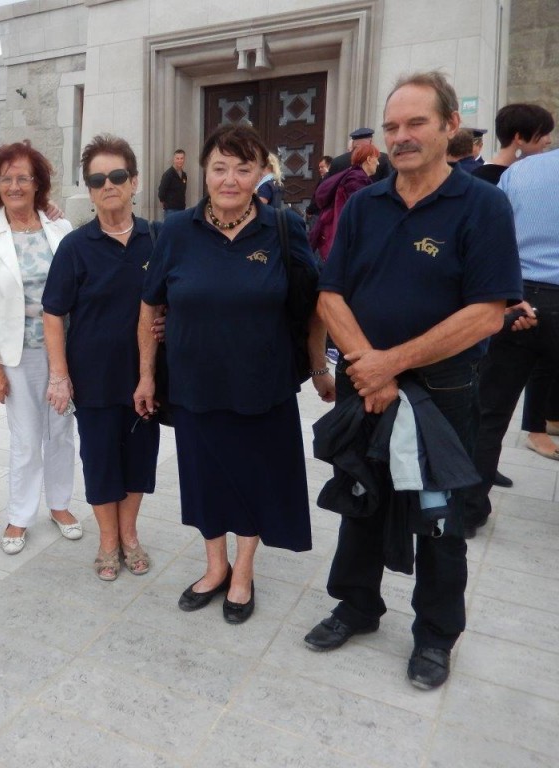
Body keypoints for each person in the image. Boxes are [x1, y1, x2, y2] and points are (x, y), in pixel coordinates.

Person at [305, 72, 521, 689]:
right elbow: (330, 293)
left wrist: (389, 364)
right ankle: (357, 606)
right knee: (360, 496)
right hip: (365, 384)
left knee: (440, 513)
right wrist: (368, 366)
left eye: (416, 123)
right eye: (392, 126)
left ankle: (435, 635)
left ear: (450, 125)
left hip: (443, 393)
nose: (401, 137)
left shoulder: (482, 205)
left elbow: (487, 312)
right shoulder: (364, 205)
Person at [135, 124, 333, 623]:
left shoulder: (282, 228)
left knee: (254, 478)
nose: (229, 179)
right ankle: (214, 565)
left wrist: (317, 367)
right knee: (205, 478)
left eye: (243, 169)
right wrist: (146, 376)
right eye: (220, 167)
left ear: (261, 173)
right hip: (195, 385)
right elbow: (150, 304)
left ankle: (242, 571)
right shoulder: (176, 230)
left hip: (263, 386)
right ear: (204, 172)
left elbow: (315, 306)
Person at [41, 134, 160, 581]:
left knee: (139, 459)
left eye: (117, 176)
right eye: (97, 179)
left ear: (134, 182)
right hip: (93, 376)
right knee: (100, 459)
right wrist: (59, 376)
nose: (108, 185)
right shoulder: (76, 246)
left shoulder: (158, 239)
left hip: (147, 375)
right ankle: (108, 540)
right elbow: (53, 313)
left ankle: (130, 535)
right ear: (89, 191)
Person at [0, 141, 79, 554]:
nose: (14, 186)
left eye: (23, 178)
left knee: (62, 431)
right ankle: (19, 514)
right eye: (6, 178)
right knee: (26, 437)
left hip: (63, 349)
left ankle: (60, 504)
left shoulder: (61, 230)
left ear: (38, 184)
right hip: (16, 354)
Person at [463, 146, 559, 539]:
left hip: (518, 299)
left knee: (489, 412)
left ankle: (468, 509)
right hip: (521, 299)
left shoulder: (522, 172)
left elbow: (491, 237)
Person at [470, 104, 554, 485]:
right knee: (488, 401)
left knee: (493, 405)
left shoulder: (522, 174)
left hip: (518, 297)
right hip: (509, 297)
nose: (548, 141)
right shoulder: (495, 177)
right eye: (543, 133)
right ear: (520, 137)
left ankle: (477, 490)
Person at [308, 143, 380, 262]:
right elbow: (360, 212)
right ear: (368, 159)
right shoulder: (357, 179)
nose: (378, 163)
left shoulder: (353, 175)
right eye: (376, 159)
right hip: (344, 238)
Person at [157, 149, 188, 219]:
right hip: (171, 211)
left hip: (181, 209)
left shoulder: (184, 175)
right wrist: (167, 205)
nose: (179, 160)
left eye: (181, 158)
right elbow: (161, 193)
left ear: (184, 160)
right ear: (174, 159)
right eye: (177, 158)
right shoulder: (168, 174)